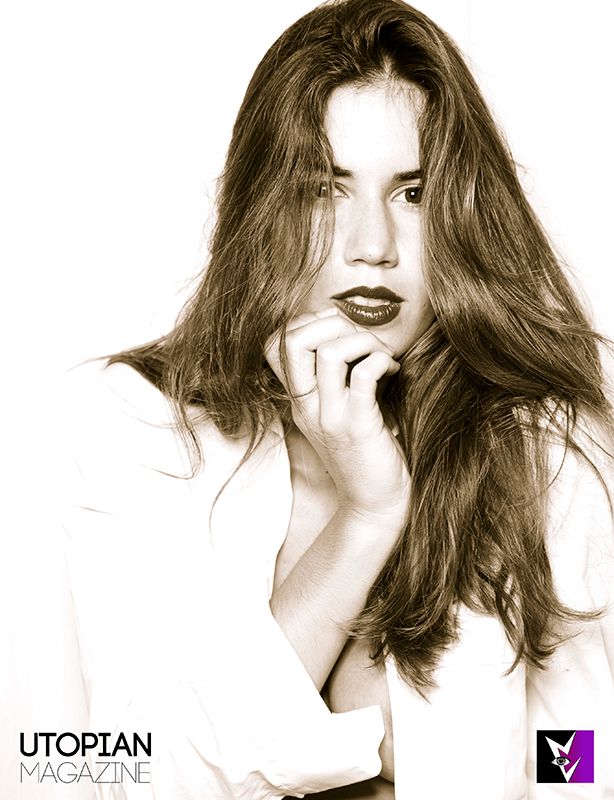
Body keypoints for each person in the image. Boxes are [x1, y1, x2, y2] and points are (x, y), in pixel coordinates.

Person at [59, 0, 613, 797]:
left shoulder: (540, 445)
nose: (372, 246)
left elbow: (584, 747)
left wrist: (568, 772)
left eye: (413, 193)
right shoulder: (141, 426)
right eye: (326, 189)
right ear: (263, 207)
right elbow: (136, 773)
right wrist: (366, 515)